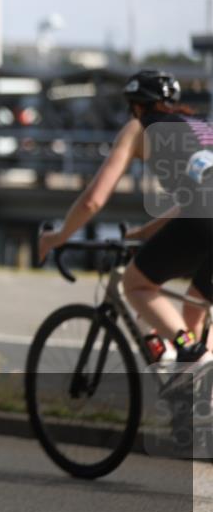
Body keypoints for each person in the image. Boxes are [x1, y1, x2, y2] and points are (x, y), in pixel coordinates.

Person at [38, 70, 213, 369]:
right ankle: (200, 402)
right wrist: (144, 233)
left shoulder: (138, 128)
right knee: (197, 307)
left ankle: (192, 353)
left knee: (136, 285)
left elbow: (94, 199)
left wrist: (59, 236)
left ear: (136, 105)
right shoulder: (203, 127)